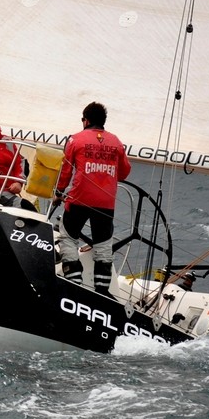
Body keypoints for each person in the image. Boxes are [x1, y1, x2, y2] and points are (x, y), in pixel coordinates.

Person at [53, 101, 132, 295]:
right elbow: (124, 173)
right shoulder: (116, 142)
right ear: (103, 121)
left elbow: (65, 171)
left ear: (85, 120)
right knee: (103, 245)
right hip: (106, 203)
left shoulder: (75, 140)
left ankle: (74, 281)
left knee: (68, 237)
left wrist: (59, 192)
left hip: (78, 199)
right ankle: (102, 291)